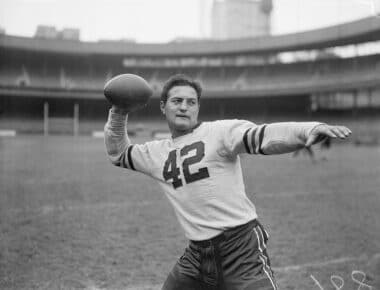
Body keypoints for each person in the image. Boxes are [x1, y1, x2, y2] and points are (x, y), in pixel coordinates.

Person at [104, 74, 351, 290]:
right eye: (177, 101)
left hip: (241, 249)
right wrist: (119, 111)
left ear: (198, 107)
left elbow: (264, 136)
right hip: (197, 256)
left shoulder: (220, 132)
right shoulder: (156, 152)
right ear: (163, 106)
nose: (184, 107)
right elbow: (118, 153)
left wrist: (308, 130)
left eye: (191, 102)